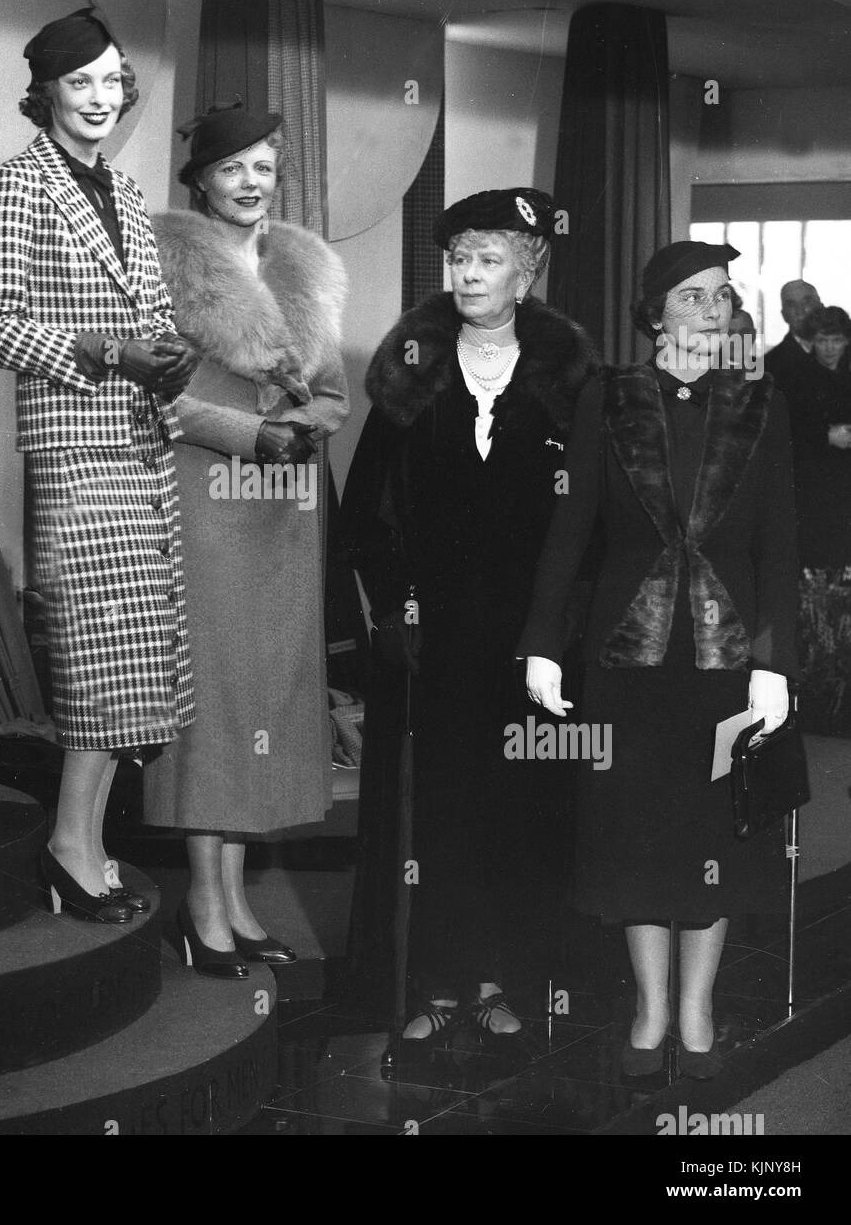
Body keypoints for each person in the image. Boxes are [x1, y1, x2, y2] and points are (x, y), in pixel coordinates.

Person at [522, 240, 798, 1080]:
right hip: (626, 655)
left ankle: (697, 1008)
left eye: (722, 296)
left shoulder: (759, 400)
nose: (712, 311)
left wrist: (774, 663)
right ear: (653, 314)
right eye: (691, 297)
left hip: (725, 658)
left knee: (715, 828)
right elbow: (569, 529)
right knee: (632, 832)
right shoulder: (606, 398)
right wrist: (540, 644)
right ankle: (648, 1009)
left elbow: (778, 542)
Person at [340, 188, 597, 1040]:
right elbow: (364, 511)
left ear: (527, 272)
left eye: (489, 259)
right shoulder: (411, 368)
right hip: (431, 636)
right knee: (435, 808)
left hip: (532, 637)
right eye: (458, 259)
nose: (469, 274)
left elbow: (591, 516)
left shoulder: (570, 379)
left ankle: (497, 979)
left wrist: (560, 623)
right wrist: (394, 609)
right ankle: (432, 983)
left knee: (514, 808)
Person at [0, 2, 199, 924]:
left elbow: (148, 315)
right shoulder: (17, 186)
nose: (99, 97)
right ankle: (70, 847)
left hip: (139, 443)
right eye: (79, 81)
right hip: (73, 447)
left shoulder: (126, 192)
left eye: (110, 80)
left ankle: (86, 844)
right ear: (46, 92)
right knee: (98, 658)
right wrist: (103, 350)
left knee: (132, 661)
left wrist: (167, 350)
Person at [142, 103, 349, 976]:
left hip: (284, 510)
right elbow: (155, 396)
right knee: (217, 699)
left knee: (266, 697)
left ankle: (233, 902)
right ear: (200, 181)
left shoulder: (305, 265)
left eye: (263, 166)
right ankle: (202, 905)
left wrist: (303, 426)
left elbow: (332, 391)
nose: (250, 182)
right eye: (231, 168)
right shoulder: (160, 258)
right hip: (207, 502)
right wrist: (248, 434)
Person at [793, 306, 851, 570]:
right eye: (822, 340)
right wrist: (825, 436)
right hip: (816, 483)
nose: (829, 348)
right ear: (811, 341)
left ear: (846, 341)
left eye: (836, 340)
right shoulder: (797, 377)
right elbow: (787, 431)